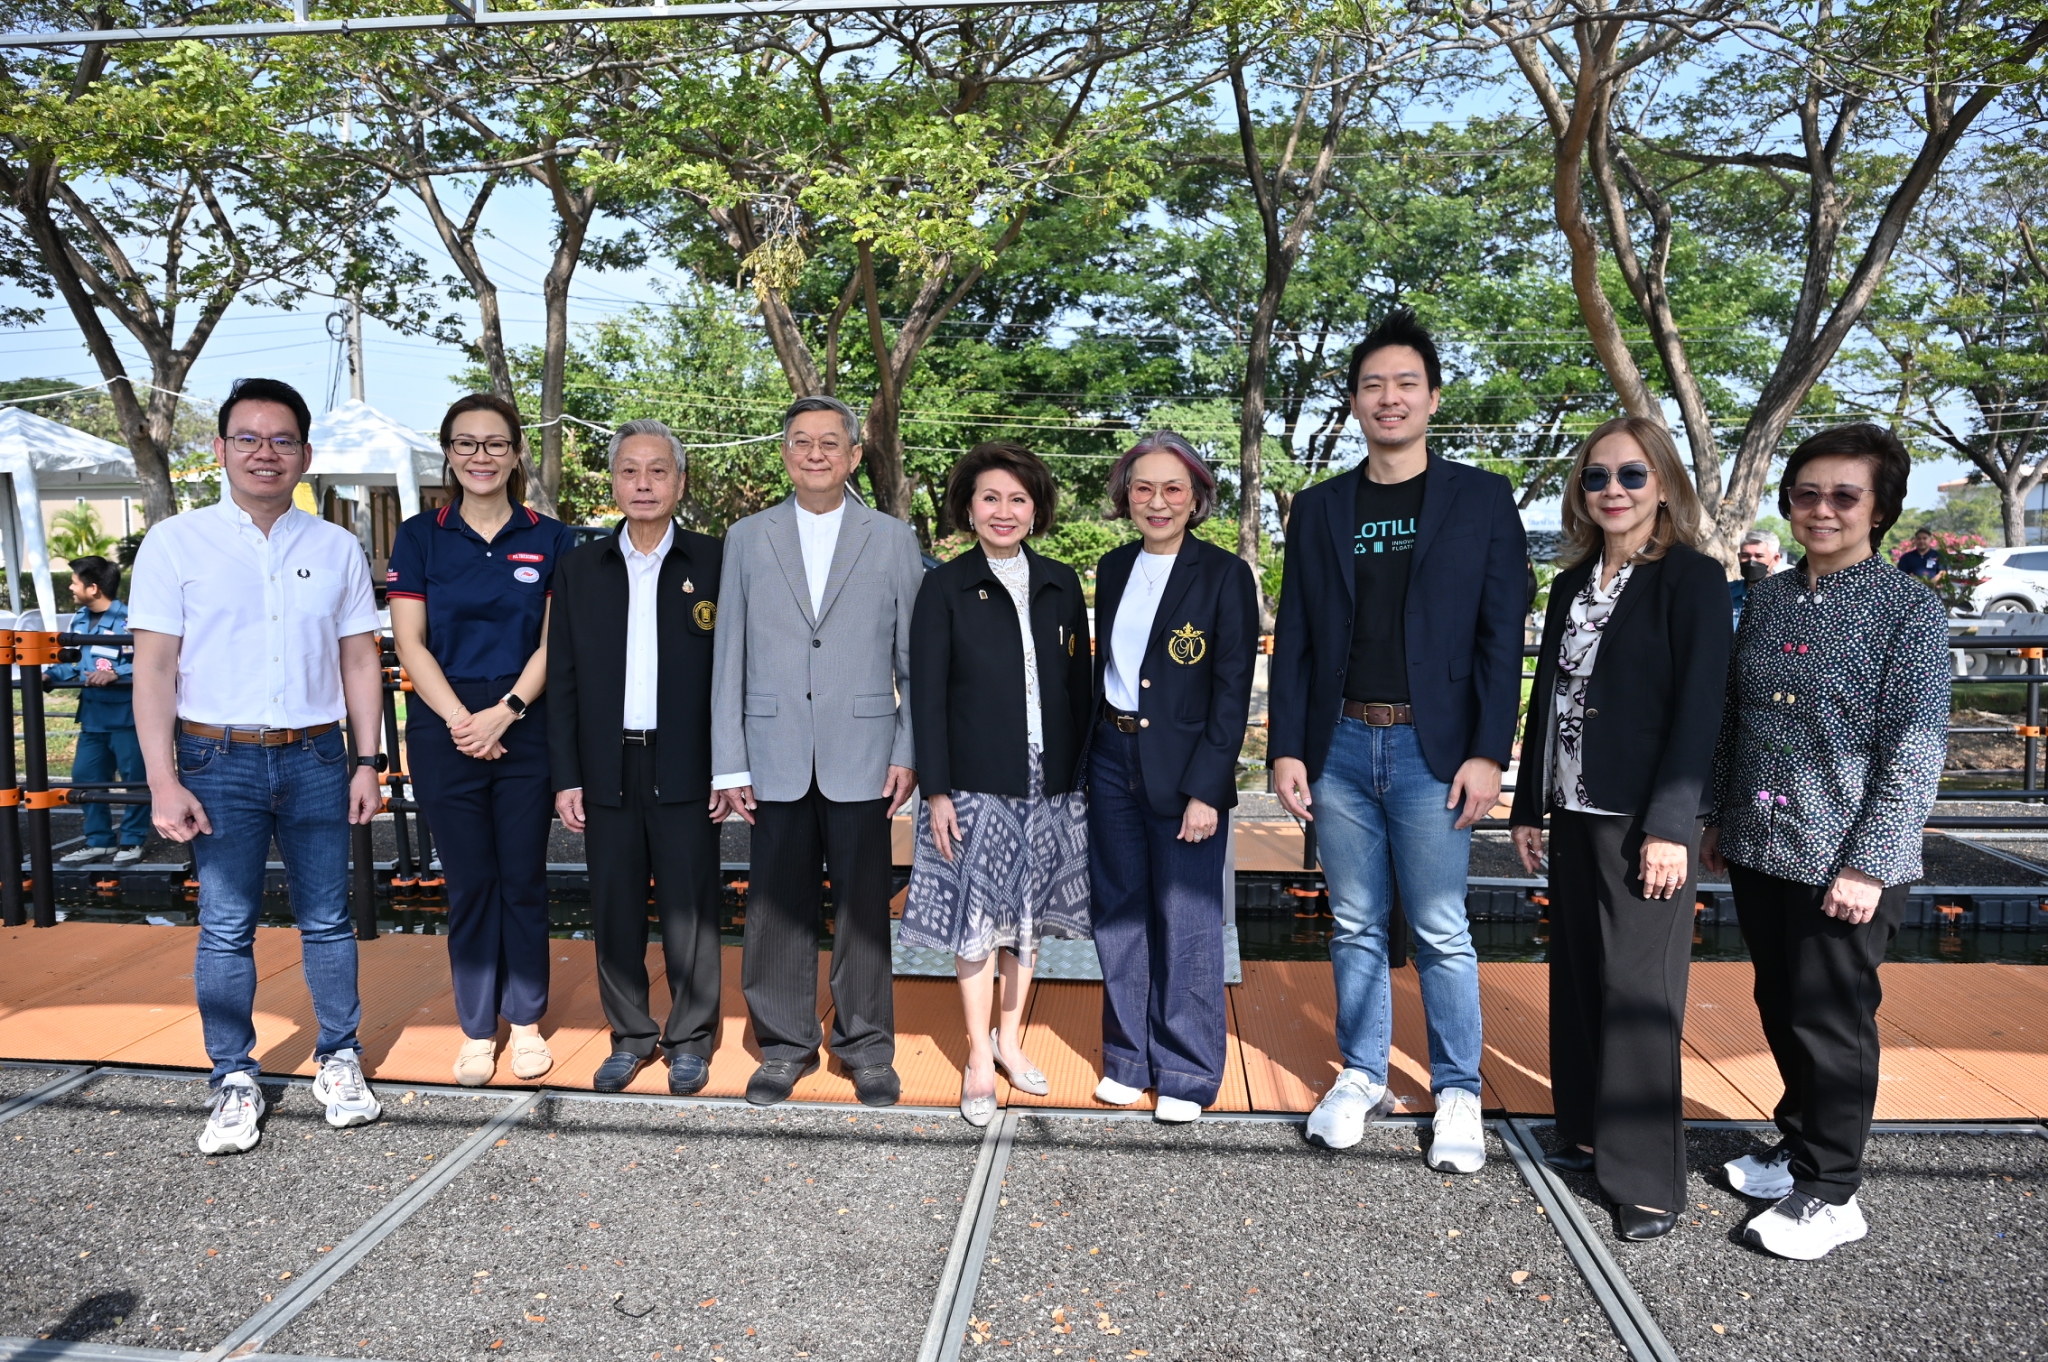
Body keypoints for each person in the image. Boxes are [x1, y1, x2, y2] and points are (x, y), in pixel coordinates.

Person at [1269, 309, 1527, 1173]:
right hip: (1339, 745)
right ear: (1353, 402)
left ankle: (1457, 1088)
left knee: (1442, 925)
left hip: (1435, 752)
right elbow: (1297, 637)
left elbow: (1501, 635)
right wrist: (1287, 747)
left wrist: (1489, 751)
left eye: (1406, 384)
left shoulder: (1481, 499)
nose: (1390, 397)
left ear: (1433, 398)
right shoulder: (1320, 508)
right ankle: (1363, 1072)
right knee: (1353, 923)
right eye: (1373, 385)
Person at [1703, 423, 1949, 1261]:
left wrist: (1869, 864)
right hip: (1762, 840)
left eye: (1845, 495)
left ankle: (1833, 1189)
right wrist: (1718, 815)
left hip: (1845, 856)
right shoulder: (1768, 598)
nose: (1822, 509)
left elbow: (1914, 748)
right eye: (1806, 493)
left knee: (1833, 1021)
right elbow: (1733, 716)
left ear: (1880, 508)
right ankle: (1799, 1139)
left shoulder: (1909, 609)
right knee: (1780, 1003)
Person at [129, 377, 385, 1154]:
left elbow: (360, 661)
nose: (264, 453)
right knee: (225, 925)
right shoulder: (176, 543)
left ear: (305, 454)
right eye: (248, 438)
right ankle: (234, 1076)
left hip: (317, 755)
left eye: (281, 440)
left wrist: (367, 761)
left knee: (328, 919)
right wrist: (162, 779)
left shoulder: (336, 547)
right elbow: (154, 669)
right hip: (215, 758)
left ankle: (339, 1057)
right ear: (220, 449)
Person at [1509, 417, 1729, 1242]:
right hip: (1572, 809)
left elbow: (1700, 710)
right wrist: (1528, 805)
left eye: (1632, 475)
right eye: (1596, 476)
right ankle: (1585, 1131)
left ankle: (1647, 1183)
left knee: (1639, 994)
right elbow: (1549, 698)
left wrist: (1674, 825)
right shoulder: (1572, 583)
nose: (1613, 490)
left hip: (1645, 821)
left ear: (1663, 484)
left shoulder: (1691, 579)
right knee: (1577, 976)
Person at [710, 395, 925, 1108]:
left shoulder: (892, 538)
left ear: (855, 455)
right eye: (801, 441)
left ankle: (867, 1048)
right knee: (776, 908)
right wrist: (729, 760)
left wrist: (908, 749)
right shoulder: (748, 537)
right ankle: (783, 1046)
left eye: (830, 442)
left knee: (863, 908)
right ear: (784, 453)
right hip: (772, 751)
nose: (815, 454)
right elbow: (729, 655)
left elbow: (913, 659)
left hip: (865, 753)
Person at [388, 394, 575, 1087]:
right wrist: (463, 721)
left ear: (516, 451)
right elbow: (410, 642)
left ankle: (524, 1022)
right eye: (466, 443)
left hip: (524, 723)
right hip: (445, 726)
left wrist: (507, 711)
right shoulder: (420, 536)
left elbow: (555, 643)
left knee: (522, 877)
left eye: (495, 443)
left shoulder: (551, 538)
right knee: (469, 881)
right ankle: (475, 1029)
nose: (481, 456)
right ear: (448, 453)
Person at [904, 441, 1093, 1126]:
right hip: (974, 785)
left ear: (1036, 509)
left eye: (1018, 498)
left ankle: (1010, 1041)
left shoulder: (1061, 582)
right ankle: (978, 1056)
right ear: (969, 508)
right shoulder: (944, 587)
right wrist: (937, 790)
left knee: (1027, 920)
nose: (1004, 511)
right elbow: (927, 697)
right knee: (977, 923)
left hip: (1052, 781)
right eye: (990, 498)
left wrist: (1079, 778)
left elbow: (1079, 687)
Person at [548, 420, 726, 1096]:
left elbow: (736, 673)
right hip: (607, 765)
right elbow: (562, 678)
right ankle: (629, 1036)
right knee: (615, 906)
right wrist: (567, 775)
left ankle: (691, 1039)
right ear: (614, 481)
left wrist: (729, 767)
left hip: (689, 762)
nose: (643, 483)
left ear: (680, 481)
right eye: (629, 470)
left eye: (657, 470)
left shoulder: (715, 562)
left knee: (692, 910)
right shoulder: (580, 567)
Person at [1088, 431, 1257, 1123]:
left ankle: (1186, 1069)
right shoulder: (1112, 567)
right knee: (1119, 911)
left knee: (1186, 917)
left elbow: (1231, 692)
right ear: (1126, 496)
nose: (1156, 502)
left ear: (1196, 498)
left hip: (1186, 769)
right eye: (1143, 488)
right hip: (1111, 756)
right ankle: (1129, 1059)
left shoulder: (1223, 575)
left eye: (1172, 488)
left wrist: (1207, 789)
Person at [49, 554, 150, 864]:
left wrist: (117, 673)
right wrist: (48, 675)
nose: (70, 587)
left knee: (135, 781)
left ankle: (132, 841)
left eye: (74, 582)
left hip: (127, 718)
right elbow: (76, 663)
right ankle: (99, 841)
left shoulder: (129, 620)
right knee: (85, 778)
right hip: (92, 718)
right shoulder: (79, 619)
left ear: (93, 588)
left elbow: (153, 662)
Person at [1729, 529, 1783, 629]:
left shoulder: (1787, 598)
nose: (1751, 561)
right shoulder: (1726, 593)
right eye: (1745, 556)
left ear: (1776, 559)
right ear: (1739, 557)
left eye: (1759, 556)